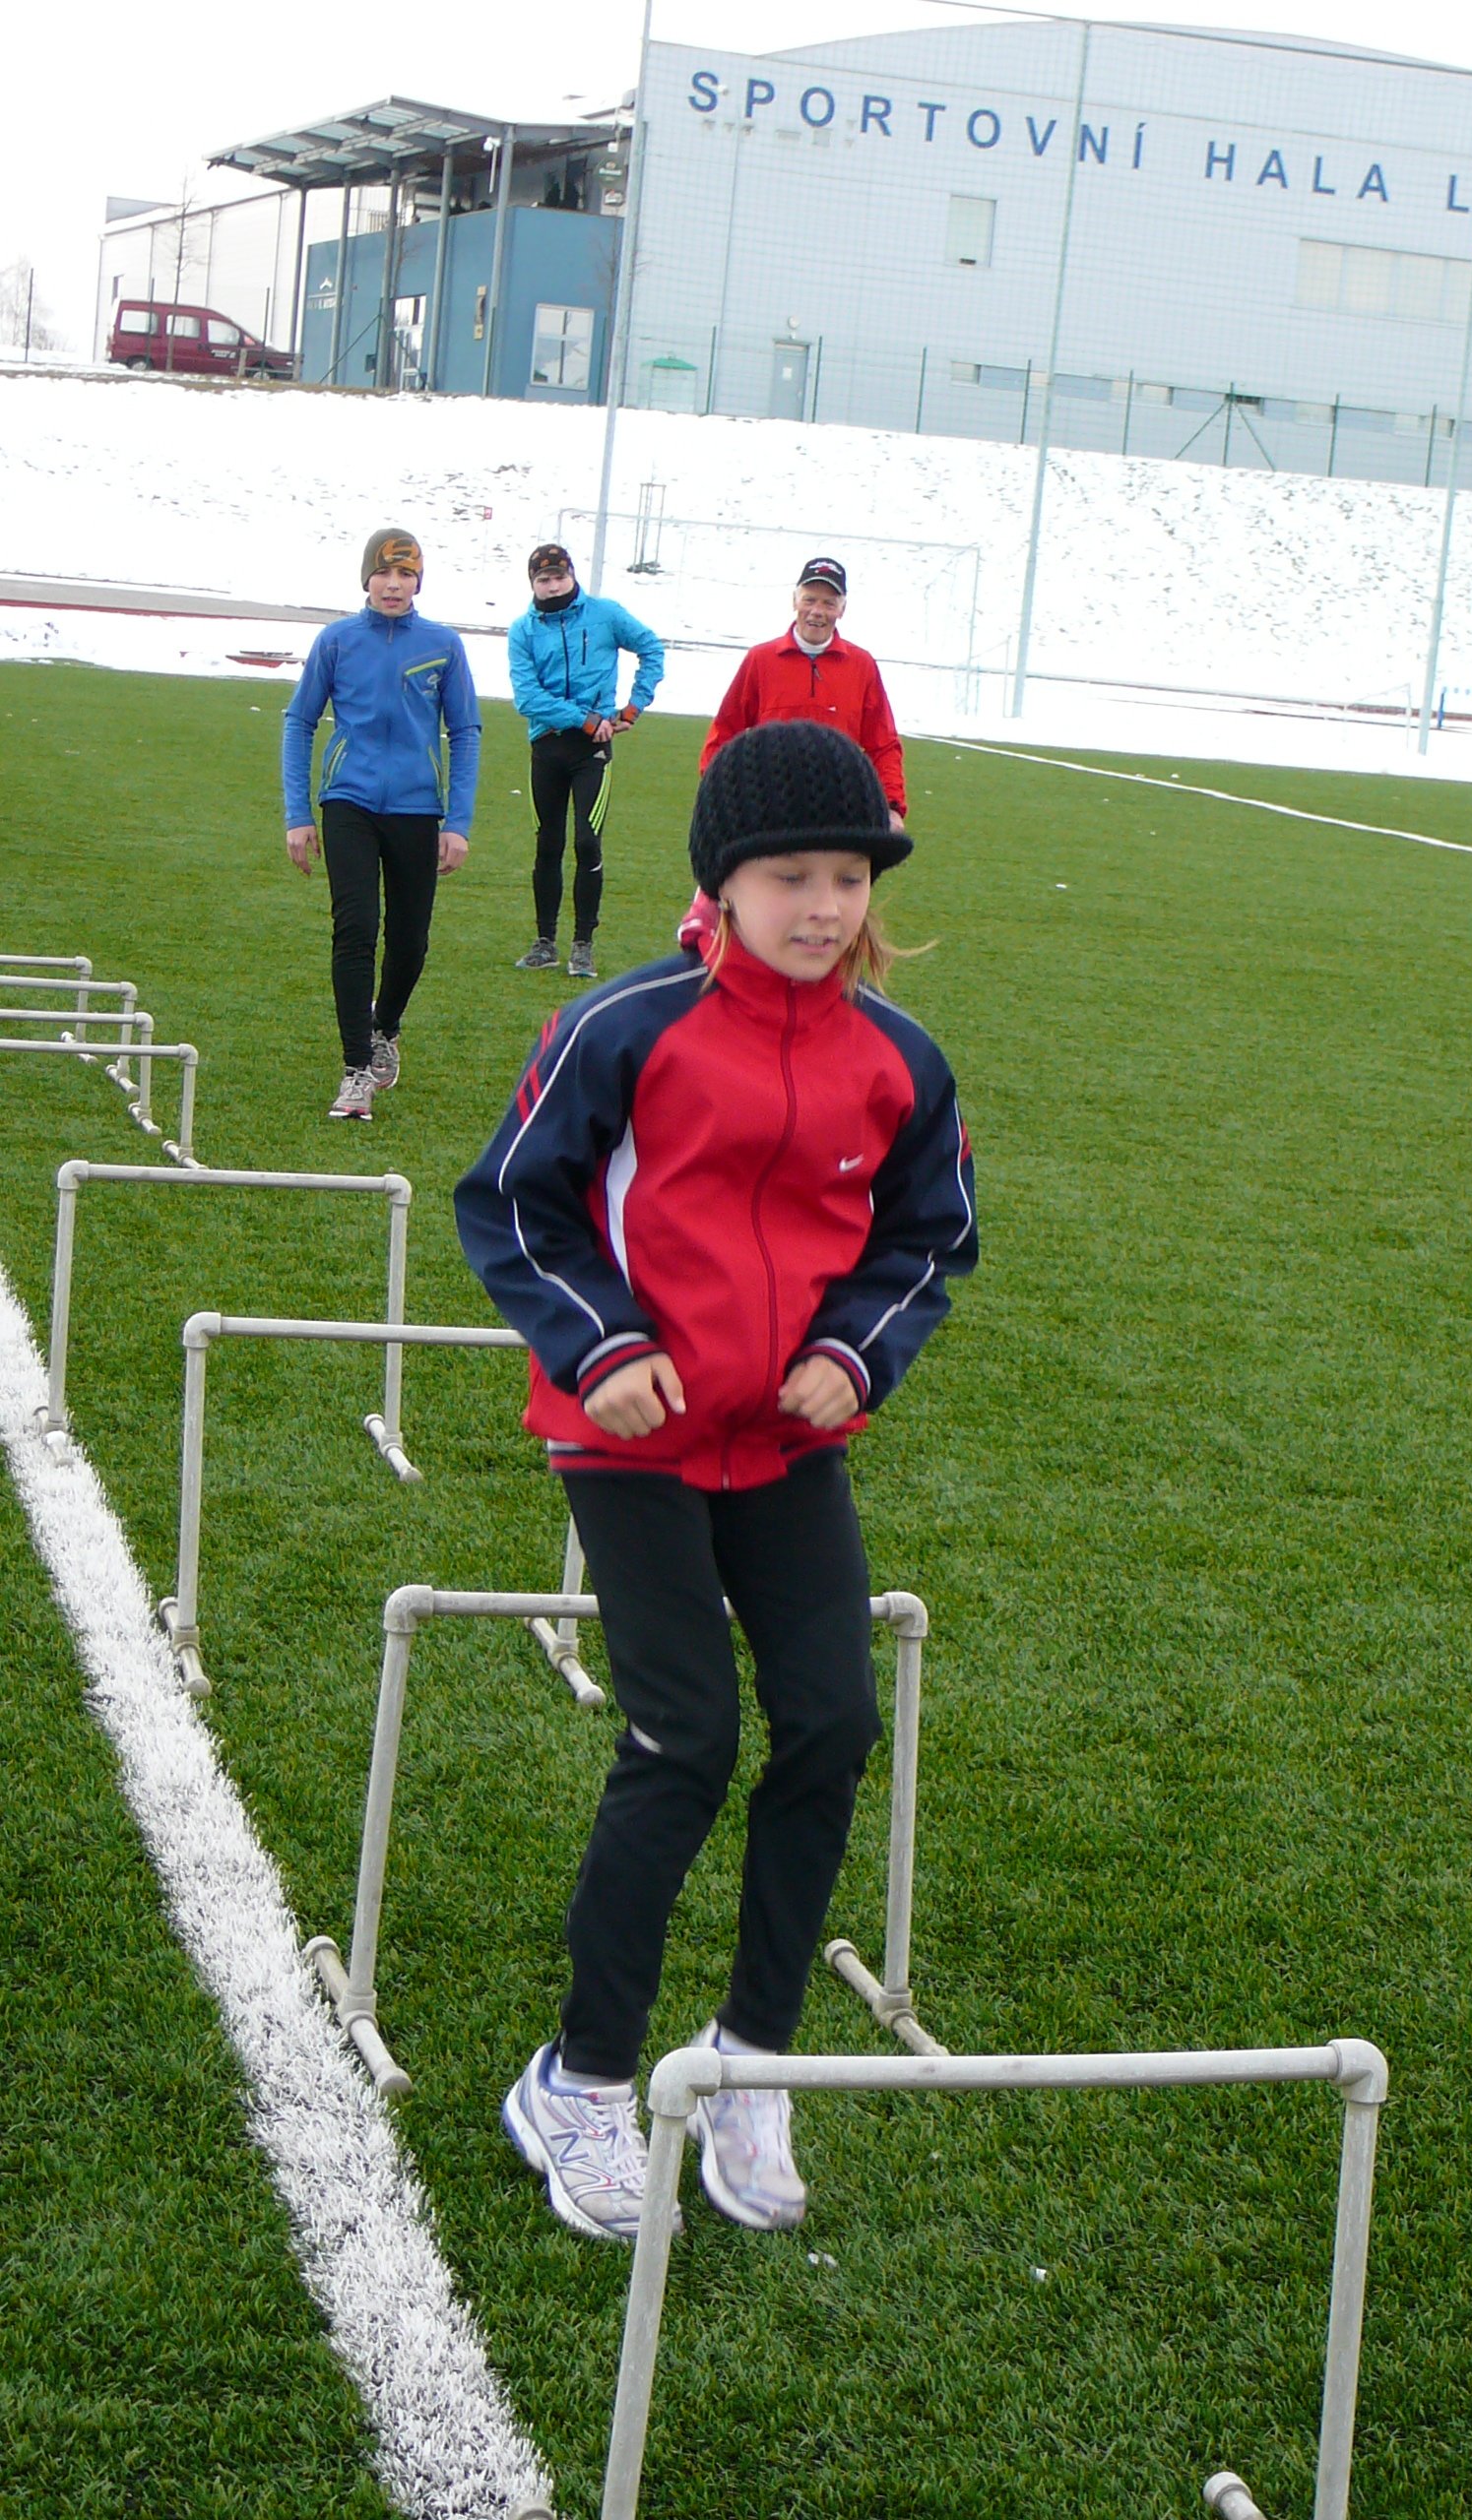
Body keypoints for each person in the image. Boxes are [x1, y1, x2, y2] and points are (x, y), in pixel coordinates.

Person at [455, 720, 976, 2241]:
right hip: (632, 1432)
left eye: (846, 878)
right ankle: (582, 2080)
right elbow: (515, 1202)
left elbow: (929, 1236)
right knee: (684, 1738)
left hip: (786, 1443)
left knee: (834, 1722)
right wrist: (600, 1345)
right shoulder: (626, 1026)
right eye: (788, 876)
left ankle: (752, 2060)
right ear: (723, 883)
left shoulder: (900, 1059)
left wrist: (857, 1354)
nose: (821, 906)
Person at [283, 528, 480, 1119]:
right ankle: (355, 1071)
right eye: (384, 572)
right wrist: (298, 814)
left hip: (418, 809)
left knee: (410, 938)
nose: (394, 585)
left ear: (418, 581)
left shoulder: (443, 645)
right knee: (356, 928)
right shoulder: (337, 641)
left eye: (406, 574)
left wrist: (458, 821)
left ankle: (384, 1026)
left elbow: (465, 732)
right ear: (366, 577)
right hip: (348, 801)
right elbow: (299, 722)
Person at [507, 542, 666, 981]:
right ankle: (544, 943)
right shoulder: (523, 630)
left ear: (572, 575)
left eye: (560, 576)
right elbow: (527, 697)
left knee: (587, 843)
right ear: (533, 584)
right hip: (548, 746)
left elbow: (652, 649)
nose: (553, 586)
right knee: (548, 844)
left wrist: (634, 706)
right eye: (544, 579)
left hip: (592, 750)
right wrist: (584, 718)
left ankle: (583, 947)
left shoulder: (605, 614)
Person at [700, 557, 906, 826]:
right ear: (794, 601)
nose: (817, 611)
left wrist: (892, 806)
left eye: (829, 603)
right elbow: (726, 730)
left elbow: (883, 744)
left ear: (842, 609)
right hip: (770, 806)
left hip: (839, 807)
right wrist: (716, 792)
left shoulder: (862, 665)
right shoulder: (760, 660)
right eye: (809, 600)